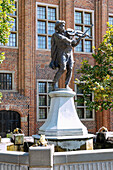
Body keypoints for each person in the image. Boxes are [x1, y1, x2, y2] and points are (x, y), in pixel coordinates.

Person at [49, 20, 88, 90]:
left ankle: (67, 84)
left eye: (63, 25)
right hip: (61, 53)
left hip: (69, 53)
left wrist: (79, 38)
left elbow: (74, 44)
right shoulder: (56, 35)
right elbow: (63, 39)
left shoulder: (69, 34)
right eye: (61, 26)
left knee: (70, 68)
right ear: (57, 28)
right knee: (63, 68)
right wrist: (71, 41)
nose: (63, 27)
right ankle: (54, 83)